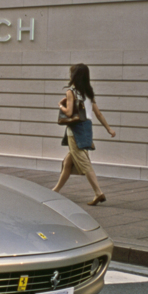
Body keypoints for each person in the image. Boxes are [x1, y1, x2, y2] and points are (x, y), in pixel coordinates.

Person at [52, 63, 116, 206]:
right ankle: (55, 190)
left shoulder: (71, 92)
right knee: (68, 162)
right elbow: (97, 113)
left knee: (84, 162)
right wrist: (108, 129)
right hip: (87, 128)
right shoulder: (88, 92)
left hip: (75, 130)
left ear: (74, 76)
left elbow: (68, 113)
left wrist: (60, 106)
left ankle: (98, 192)